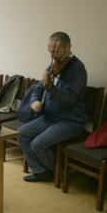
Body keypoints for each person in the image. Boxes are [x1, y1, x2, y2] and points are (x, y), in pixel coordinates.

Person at [18, 32, 87, 182]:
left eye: (56, 51)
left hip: (70, 121)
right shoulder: (54, 64)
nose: (52, 55)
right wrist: (35, 100)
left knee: (38, 144)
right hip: (50, 117)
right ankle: (41, 170)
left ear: (68, 47)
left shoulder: (77, 70)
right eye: (50, 51)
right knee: (22, 133)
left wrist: (50, 88)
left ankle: (54, 170)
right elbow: (38, 87)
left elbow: (68, 101)